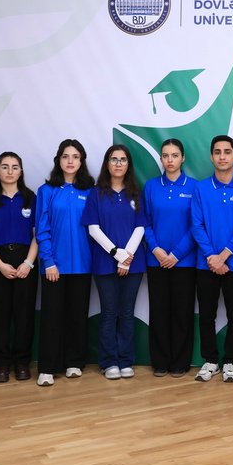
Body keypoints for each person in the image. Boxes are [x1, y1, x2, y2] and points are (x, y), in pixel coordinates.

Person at [190, 135, 233, 383]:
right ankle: (210, 360)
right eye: (217, 152)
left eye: (227, 152)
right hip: (206, 263)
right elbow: (197, 226)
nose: (222, 156)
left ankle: (230, 361)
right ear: (211, 156)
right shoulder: (201, 189)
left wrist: (223, 256)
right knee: (207, 315)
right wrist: (212, 257)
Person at [82, 144, 146, 381]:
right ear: (107, 164)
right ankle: (109, 361)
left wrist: (127, 257)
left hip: (133, 263)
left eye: (123, 159)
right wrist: (116, 253)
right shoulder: (96, 193)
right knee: (109, 313)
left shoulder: (136, 193)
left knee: (127, 313)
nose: (118, 164)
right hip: (104, 262)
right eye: (113, 159)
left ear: (128, 164)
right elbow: (93, 228)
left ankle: (126, 360)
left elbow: (141, 227)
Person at [35, 139, 95, 386]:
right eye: (65, 156)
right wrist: (48, 261)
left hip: (82, 264)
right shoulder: (47, 191)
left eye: (75, 157)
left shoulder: (90, 191)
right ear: (58, 160)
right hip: (54, 266)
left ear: (82, 162)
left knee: (77, 315)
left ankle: (74, 362)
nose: (70, 161)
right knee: (52, 316)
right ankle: (48, 367)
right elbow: (41, 229)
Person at [0, 152, 38, 383]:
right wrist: (1, 265)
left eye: (15, 167)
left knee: (24, 315)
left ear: (21, 171)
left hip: (26, 260)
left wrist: (28, 263)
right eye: (5, 167)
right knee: (0, 314)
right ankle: (1, 364)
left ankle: (22, 362)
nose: (10, 171)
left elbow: (38, 235)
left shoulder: (31, 199)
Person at [142, 139, 197, 377]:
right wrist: (156, 250)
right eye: (166, 155)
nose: (170, 160)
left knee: (182, 313)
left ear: (182, 158)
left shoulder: (194, 187)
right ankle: (160, 362)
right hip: (156, 260)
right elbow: (145, 222)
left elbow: (197, 225)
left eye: (175, 155)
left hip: (184, 261)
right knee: (159, 311)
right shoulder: (151, 186)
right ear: (161, 159)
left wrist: (176, 254)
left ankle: (180, 362)